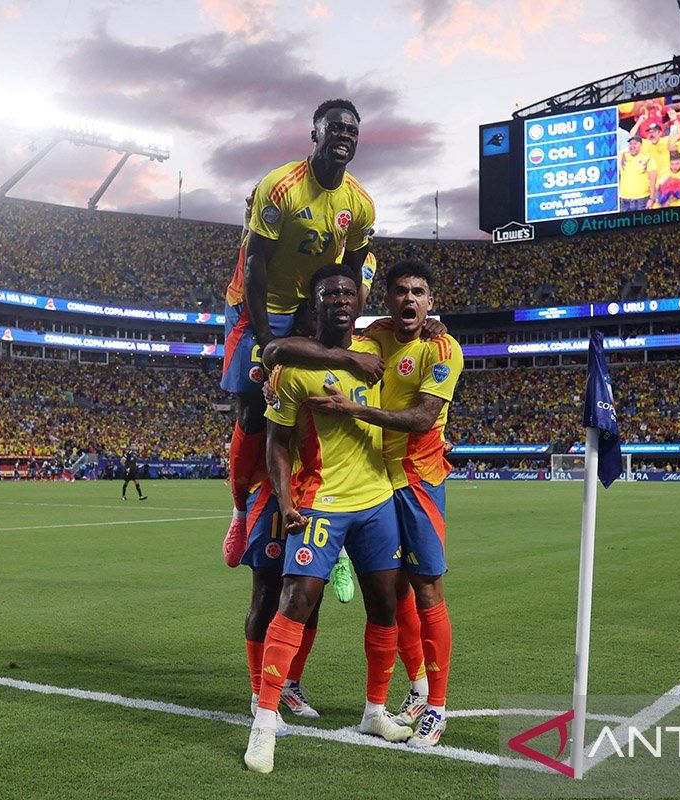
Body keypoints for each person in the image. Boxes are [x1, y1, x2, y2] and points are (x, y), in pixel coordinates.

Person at [243, 263, 410, 774]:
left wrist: (436, 325)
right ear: (315, 304)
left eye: (347, 292)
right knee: (295, 603)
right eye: (328, 293)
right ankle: (264, 722)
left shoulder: (378, 348)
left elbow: (416, 326)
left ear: (360, 302)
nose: (340, 299)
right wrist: (287, 501)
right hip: (319, 503)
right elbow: (275, 443)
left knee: (385, 606)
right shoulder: (292, 368)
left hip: (377, 499)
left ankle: (375, 711)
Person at [219, 97, 378, 610]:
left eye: (352, 129)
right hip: (257, 304)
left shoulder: (361, 204)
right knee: (251, 408)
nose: (344, 135)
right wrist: (267, 344)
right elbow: (257, 264)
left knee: (313, 409)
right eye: (334, 127)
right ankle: (242, 511)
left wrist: (334, 333)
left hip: (310, 306)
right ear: (315, 134)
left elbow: (348, 277)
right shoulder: (280, 186)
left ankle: (325, 516)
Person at [304, 259, 463, 748]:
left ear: (431, 301)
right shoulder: (373, 335)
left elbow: (421, 418)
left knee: (427, 586)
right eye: (400, 291)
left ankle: (436, 707)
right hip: (373, 479)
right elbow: (333, 341)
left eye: (419, 292)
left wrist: (356, 410)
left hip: (417, 479)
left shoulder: (442, 347)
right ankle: (416, 687)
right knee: (393, 591)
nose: (410, 299)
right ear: (387, 298)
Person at [618, 136, 656, 211]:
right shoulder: (622, 156)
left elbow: (653, 181)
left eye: (635, 144)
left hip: (642, 199)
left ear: (641, 145)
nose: (632, 146)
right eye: (630, 144)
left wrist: (651, 199)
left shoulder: (648, 159)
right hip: (623, 199)